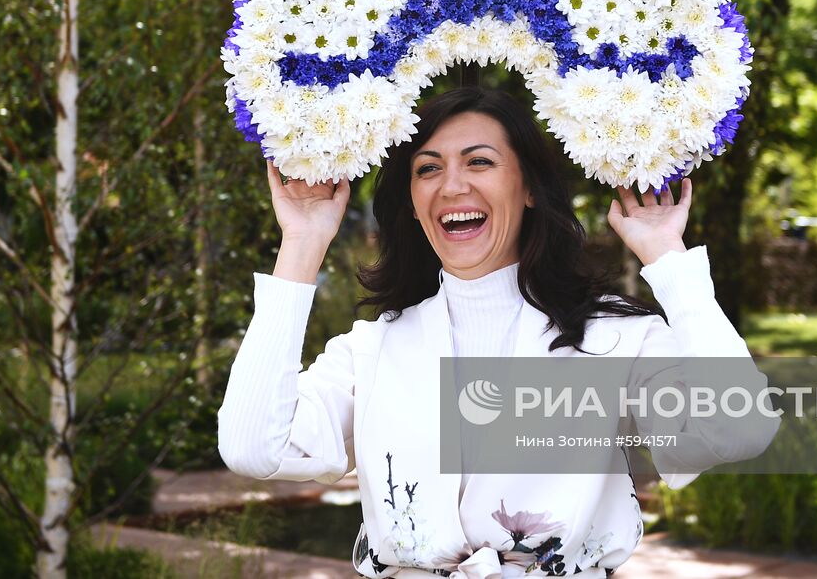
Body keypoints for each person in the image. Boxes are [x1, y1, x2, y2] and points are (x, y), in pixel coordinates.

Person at [218, 86, 776, 577]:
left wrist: (667, 256)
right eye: (428, 168)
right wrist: (303, 242)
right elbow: (252, 448)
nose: (452, 184)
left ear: (529, 188)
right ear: (413, 203)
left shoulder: (613, 338)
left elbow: (737, 429)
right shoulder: (373, 348)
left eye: (479, 162)